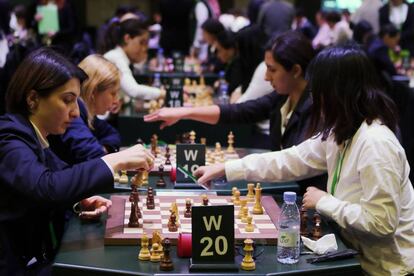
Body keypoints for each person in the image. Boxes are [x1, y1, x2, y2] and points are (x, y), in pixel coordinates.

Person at [194, 44, 414, 275]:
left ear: (335, 92)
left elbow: (382, 223)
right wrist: (226, 168)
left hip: (388, 269)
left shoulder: (376, 144)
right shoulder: (342, 130)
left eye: (318, 91)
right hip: (355, 256)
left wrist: (324, 202)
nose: (315, 98)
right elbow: (292, 159)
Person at [0, 47, 154, 274]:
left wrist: (79, 201)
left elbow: (59, 177)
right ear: (33, 99)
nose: (75, 113)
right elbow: (47, 186)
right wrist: (113, 160)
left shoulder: (36, 136)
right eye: (67, 100)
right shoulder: (9, 137)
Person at [145, 31, 325, 191]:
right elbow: (239, 111)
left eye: (272, 69)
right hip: (286, 189)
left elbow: (292, 162)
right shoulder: (283, 96)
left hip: (306, 201)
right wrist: (184, 112)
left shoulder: (318, 109)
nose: (266, 76)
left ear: (295, 70)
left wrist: (228, 168)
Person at [49, 54, 122, 165]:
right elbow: (95, 157)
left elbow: (113, 134)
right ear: (93, 91)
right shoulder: (73, 114)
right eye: (112, 93)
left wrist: (105, 148)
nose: (116, 101)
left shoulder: (87, 113)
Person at [103, 18, 165, 102]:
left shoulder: (121, 56)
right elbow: (133, 90)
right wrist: (164, 93)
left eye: (146, 44)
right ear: (127, 38)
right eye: (142, 42)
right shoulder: (116, 57)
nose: (145, 48)